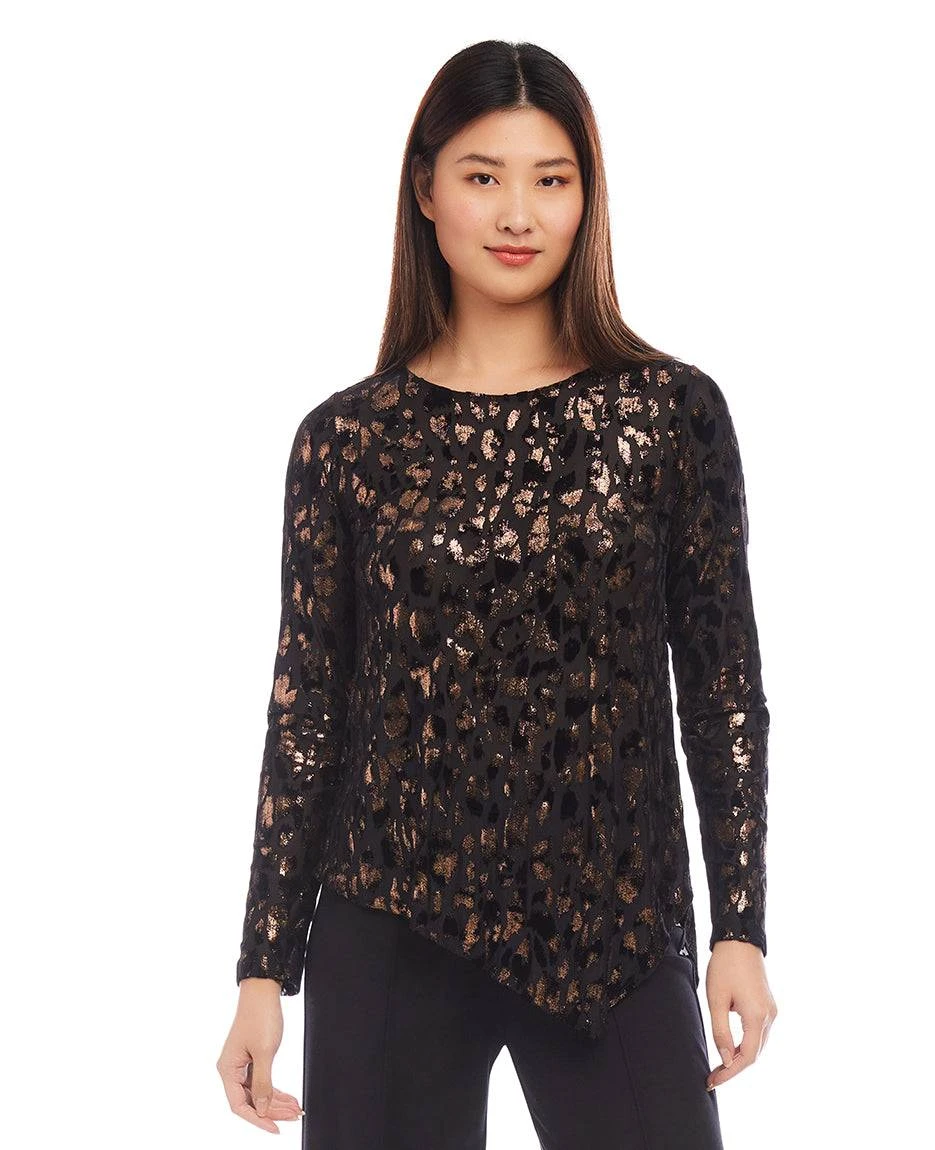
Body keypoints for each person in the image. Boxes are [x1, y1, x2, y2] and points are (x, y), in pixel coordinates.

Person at [217, 38, 778, 1149]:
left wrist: (740, 927)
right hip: (389, 921)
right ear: (427, 190)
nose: (518, 213)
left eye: (550, 179)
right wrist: (262, 971)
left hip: (612, 925)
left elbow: (721, 689)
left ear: (585, 197)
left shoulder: (669, 417)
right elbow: (309, 711)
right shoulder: (346, 442)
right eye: (484, 176)